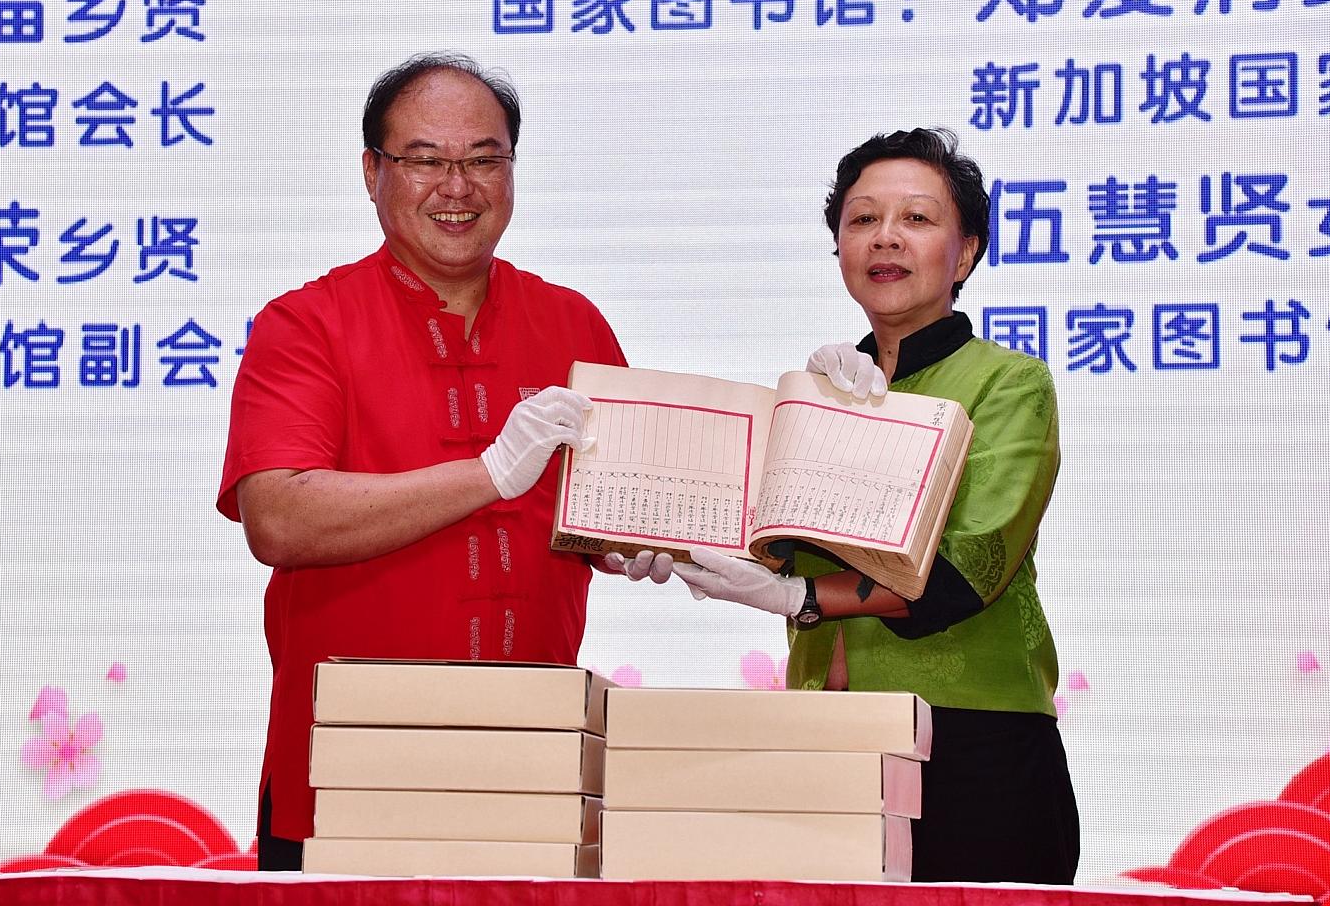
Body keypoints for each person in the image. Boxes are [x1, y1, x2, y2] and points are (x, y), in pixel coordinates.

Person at [621, 128, 1079, 884]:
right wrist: (647, 534)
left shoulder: (1010, 384)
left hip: (972, 747)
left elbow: (968, 569)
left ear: (964, 254)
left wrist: (797, 596)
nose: (885, 238)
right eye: (862, 219)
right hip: (821, 741)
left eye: (917, 219)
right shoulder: (818, 393)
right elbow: (761, 540)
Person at [217, 52, 629, 870]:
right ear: (372, 172)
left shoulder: (574, 324)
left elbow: (617, 513)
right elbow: (278, 516)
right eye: (427, 161)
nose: (458, 186)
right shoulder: (307, 325)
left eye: (484, 159)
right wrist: (486, 476)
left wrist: (651, 542)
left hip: (534, 765)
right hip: (344, 778)